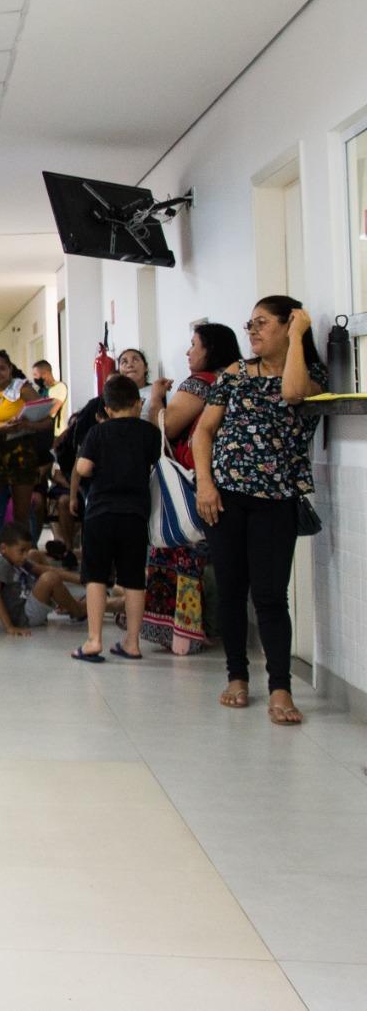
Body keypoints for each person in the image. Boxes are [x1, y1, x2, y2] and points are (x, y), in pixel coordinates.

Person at [194, 297, 326, 724]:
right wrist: (205, 484)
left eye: (263, 323)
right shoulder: (232, 375)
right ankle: (236, 676)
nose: (251, 331)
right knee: (232, 591)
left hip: (277, 501)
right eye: (249, 323)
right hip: (225, 498)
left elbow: (291, 393)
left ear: (290, 326)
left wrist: (300, 335)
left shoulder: (309, 374)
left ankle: (281, 688)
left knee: (270, 596)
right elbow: (204, 432)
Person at [141, 322, 241, 654]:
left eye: (194, 344)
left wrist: (156, 398)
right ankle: (205, 628)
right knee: (212, 560)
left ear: (210, 349)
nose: (188, 351)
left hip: (189, 480)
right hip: (224, 479)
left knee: (180, 550)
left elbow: (164, 429)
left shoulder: (201, 383)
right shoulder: (237, 381)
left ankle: (182, 632)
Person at [70, 375, 160, 662]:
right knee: (134, 579)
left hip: (100, 514)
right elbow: (155, 461)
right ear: (137, 403)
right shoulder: (149, 433)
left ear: (107, 409)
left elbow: (83, 468)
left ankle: (94, 640)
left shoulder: (98, 433)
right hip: (135, 515)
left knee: (95, 576)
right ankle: (132, 643)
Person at [0, 349, 50, 539]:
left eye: (1, 368)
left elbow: (47, 421)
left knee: (21, 515)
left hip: (20, 454)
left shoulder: (22, 388)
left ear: (10, 369)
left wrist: (28, 424)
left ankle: (22, 558)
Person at [0, 523, 86, 637]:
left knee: (34, 555)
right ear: (3, 548)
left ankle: (69, 601)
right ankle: (77, 611)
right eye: (21, 551)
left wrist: (83, 580)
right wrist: (9, 627)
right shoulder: (0, 563)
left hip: (29, 601)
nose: (25, 556)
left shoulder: (16, 560)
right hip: (24, 616)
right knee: (50, 578)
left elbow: (47, 569)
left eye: (26, 551)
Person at [32, 360, 68, 430]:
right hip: (40, 431)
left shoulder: (60, 387)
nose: (34, 378)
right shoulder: (39, 390)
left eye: (35, 375)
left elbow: (52, 411)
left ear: (46, 374)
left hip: (56, 433)